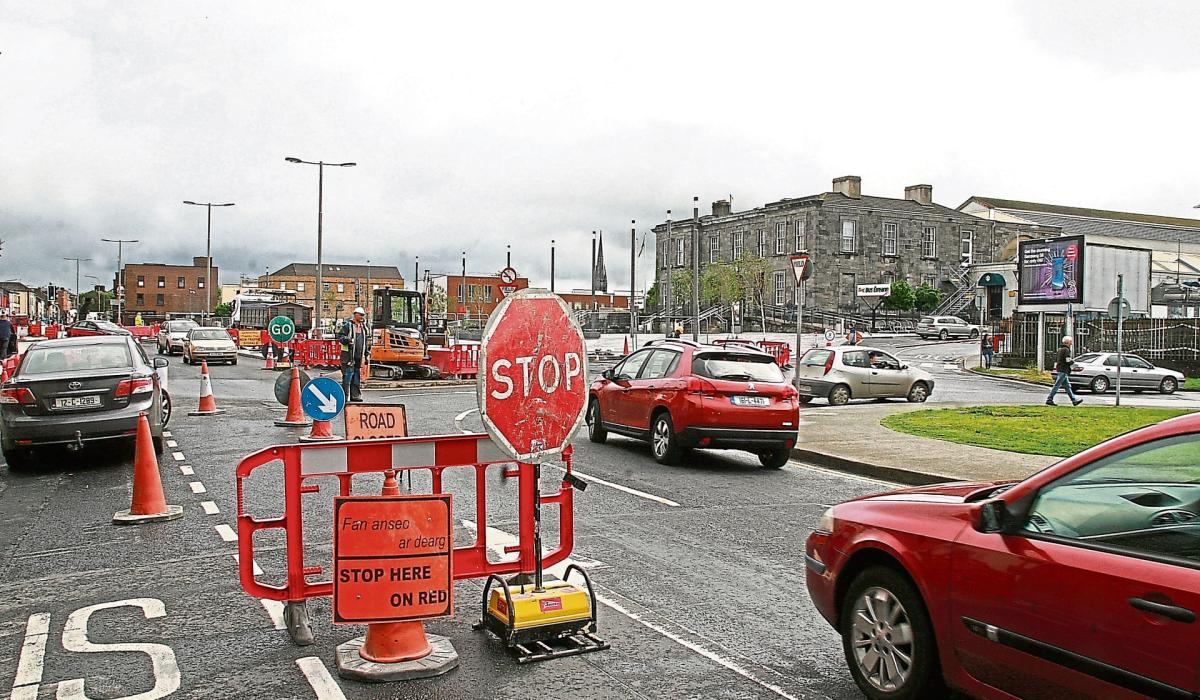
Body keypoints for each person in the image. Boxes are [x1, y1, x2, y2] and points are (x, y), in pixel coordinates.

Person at [337, 307, 370, 403]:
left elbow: (366, 342)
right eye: (361, 315)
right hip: (348, 357)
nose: (362, 317)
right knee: (347, 377)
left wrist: (366, 354)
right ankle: (344, 397)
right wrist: (347, 340)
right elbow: (340, 337)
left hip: (358, 357)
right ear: (355, 315)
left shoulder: (364, 327)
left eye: (363, 315)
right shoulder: (347, 326)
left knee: (356, 377)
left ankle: (355, 396)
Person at [1046, 335, 1082, 406]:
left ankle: (1074, 400)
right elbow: (1067, 360)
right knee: (1057, 385)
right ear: (1067, 342)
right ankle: (1049, 399)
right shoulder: (1066, 350)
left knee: (1067, 386)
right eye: (1071, 341)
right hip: (1063, 369)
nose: (1071, 343)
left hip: (1060, 368)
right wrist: (1073, 362)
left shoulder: (1060, 349)